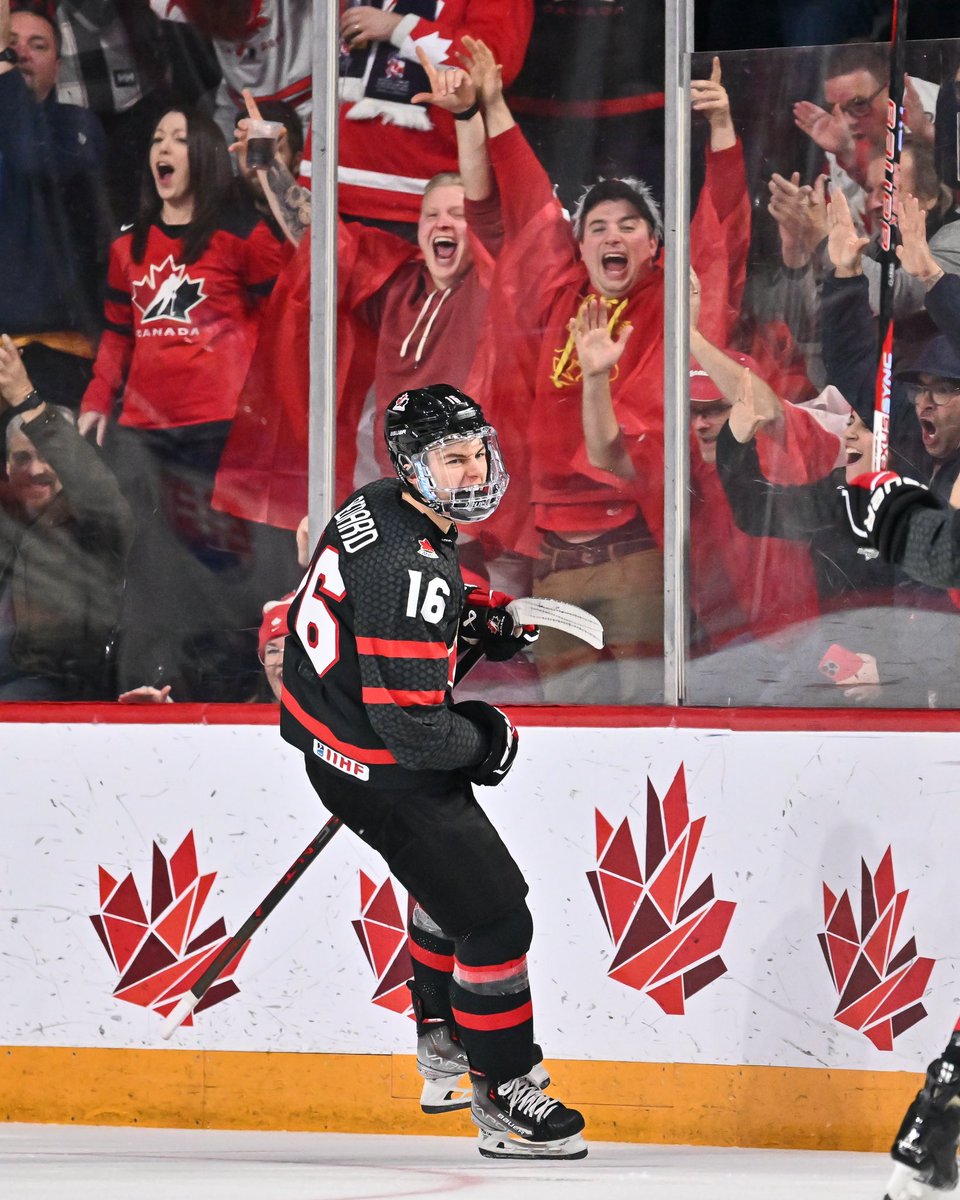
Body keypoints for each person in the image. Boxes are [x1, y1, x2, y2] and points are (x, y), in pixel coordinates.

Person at [280, 384, 586, 1161]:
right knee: (495, 918)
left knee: (447, 889)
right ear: (414, 465)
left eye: (476, 449)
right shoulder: (407, 565)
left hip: (335, 742)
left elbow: (402, 603)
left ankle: (445, 1045)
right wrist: (488, 741)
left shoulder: (379, 502)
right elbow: (414, 727)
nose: (473, 468)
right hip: (384, 765)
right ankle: (504, 1091)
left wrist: (472, 612)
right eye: (452, 458)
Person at [457, 48, 749, 703]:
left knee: (647, 726)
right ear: (579, 243)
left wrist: (724, 138)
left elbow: (721, 237)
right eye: (597, 227)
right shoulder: (559, 292)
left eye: (630, 226)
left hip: (634, 558)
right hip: (554, 569)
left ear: (653, 244)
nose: (612, 236)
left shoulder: (668, 298)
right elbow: (532, 203)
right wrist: (494, 107)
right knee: (571, 742)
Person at [78, 105, 290, 699]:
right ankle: (156, 687)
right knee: (158, 569)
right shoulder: (129, 246)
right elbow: (119, 330)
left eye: (177, 137)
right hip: (150, 434)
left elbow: (291, 309)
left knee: (235, 571)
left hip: (226, 435)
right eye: (155, 139)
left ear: (202, 152)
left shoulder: (241, 236)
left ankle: (248, 685)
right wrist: (99, 396)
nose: (162, 148)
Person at [0, 333, 133, 700]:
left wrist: (27, 401)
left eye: (47, 456)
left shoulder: (92, 522)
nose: (37, 469)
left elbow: (100, 495)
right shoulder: (7, 522)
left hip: (59, 684)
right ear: (6, 468)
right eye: (22, 458)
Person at [1, 0, 110, 409]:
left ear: (59, 67)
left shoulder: (77, 126)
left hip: (55, 355)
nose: (21, 54)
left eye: (38, 45)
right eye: (11, 43)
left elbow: (30, 157)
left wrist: (2, 69)